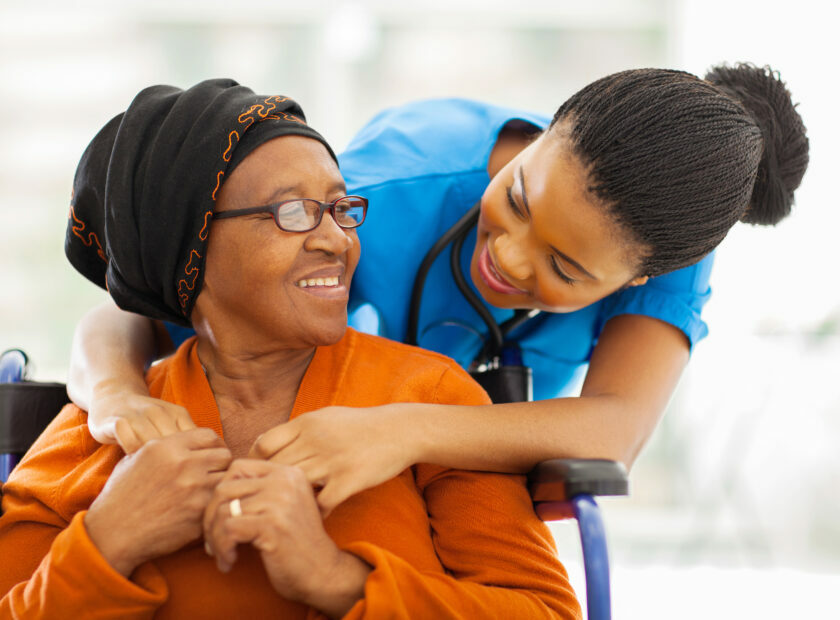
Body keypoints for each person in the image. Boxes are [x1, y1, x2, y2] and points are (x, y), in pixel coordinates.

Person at [67, 63, 809, 514]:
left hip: (444, 507)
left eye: (566, 269)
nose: (511, 262)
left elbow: (615, 430)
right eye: (516, 199)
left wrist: (400, 428)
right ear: (545, 134)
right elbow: (123, 315)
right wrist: (116, 397)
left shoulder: (664, 243)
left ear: (640, 277)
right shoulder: (385, 192)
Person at [0, 80, 580, 619]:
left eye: (339, 207)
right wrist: (108, 542)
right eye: (292, 212)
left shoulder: (430, 398)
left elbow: (545, 611)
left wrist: (334, 579)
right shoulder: (96, 433)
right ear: (190, 248)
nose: (338, 240)